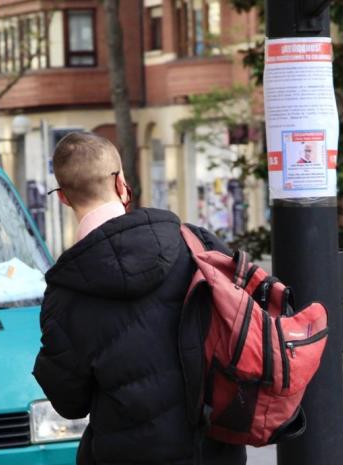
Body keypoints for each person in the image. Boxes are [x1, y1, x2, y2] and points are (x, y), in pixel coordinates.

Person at [32, 132, 246, 465]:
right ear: (121, 185)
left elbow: (70, 403)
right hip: (214, 450)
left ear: (63, 198)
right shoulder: (195, 244)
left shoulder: (64, 295)